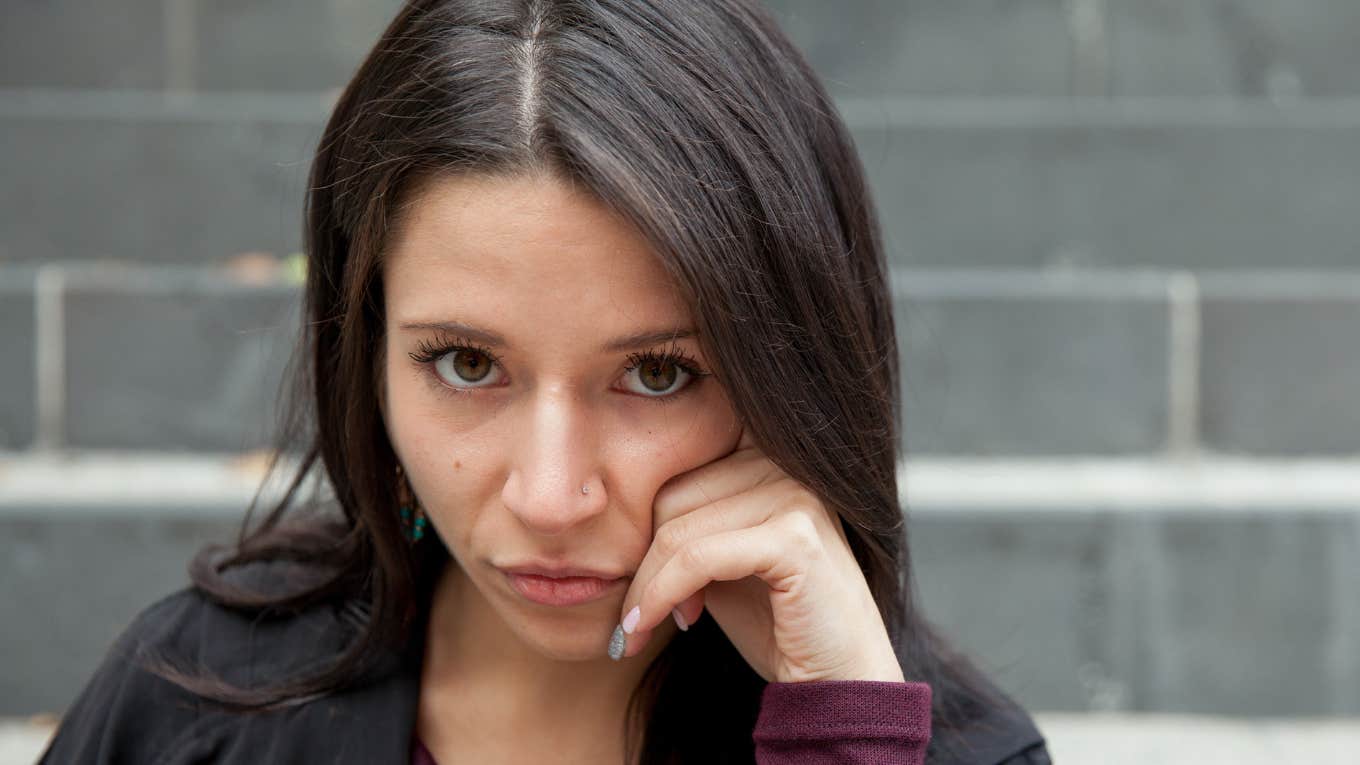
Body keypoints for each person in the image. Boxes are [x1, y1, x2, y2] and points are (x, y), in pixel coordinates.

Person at [38, 0, 1051, 762]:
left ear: (792, 372)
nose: (551, 496)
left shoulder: (940, 749)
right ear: (369, 353)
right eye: (467, 364)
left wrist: (842, 732)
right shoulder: (192, 701)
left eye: (657, 373)